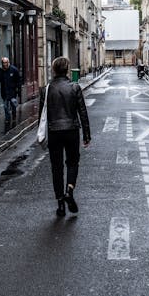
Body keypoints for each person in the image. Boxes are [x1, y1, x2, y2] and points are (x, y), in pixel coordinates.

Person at [39, 56, 91, 217]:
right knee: (72, 163)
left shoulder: (46, 89)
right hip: (71, 130)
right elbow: (82, 112)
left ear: (54, 70)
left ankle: (60, 203)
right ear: (67, 70)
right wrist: (87, 135)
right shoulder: (75, 87)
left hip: (54, 131)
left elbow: (42, 115)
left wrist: (42, 134)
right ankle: (69, 189)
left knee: (56, 168)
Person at [0, 57, 21, 124]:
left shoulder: (14, 70)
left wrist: (18, 90)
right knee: (5, 106)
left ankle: (14, 117)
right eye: (3, 63)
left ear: (8, 62)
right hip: (4, 92)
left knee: (13, 105)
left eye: (6, 62)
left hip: (12, 92)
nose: (5, 64)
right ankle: (7, 118)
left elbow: (18, 80)